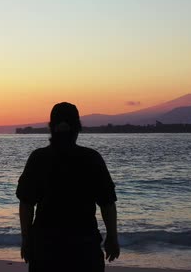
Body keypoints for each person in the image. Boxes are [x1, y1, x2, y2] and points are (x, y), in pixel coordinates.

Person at [16, 102, 120, 271]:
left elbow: (26, 204)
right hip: (84, 248)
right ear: (78, 128)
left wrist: (26, 241)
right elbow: (107, 203)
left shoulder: (38, 159)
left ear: (51, 127)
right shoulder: (91, 158)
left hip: (45, 248)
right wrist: (112, 237)